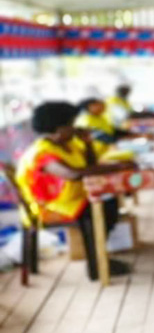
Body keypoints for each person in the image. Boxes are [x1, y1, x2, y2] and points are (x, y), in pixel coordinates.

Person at [16, 102, 135, 280]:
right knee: (96, 209)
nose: (75, 128)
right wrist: (118, 167)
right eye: (71, 124)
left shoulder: (67, 144)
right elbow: (72, 174)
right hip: (49, 207)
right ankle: (97, 265)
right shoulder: (42, 153)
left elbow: (89, 165)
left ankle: (99, 257)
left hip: (70, 199)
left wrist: (87, 144)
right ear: (58, 128)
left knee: (109, 202)